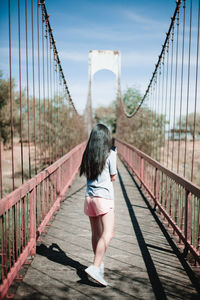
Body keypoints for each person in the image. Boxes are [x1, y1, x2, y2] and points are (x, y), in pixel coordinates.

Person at [80, 124, 117, 286]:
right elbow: (113, 177)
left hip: (90, 198)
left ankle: (98, 266)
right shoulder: (110, 154)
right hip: (104, 198)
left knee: (96, 233)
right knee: (108, 233)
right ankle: (95, 267)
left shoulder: (87, 154)